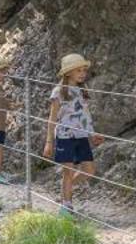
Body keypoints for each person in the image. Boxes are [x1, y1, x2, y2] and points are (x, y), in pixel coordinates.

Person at [43, 52, 103, 213]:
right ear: (68, 72)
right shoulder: (59, 92)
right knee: (67, 171)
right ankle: (66, 204)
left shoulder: (82, 90)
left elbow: (85, 116)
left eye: (84, 70)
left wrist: (92, 134)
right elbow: (52, 118)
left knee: (89, 170)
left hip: (82, 136)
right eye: (79, 70)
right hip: (65, 137)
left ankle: (66, 190)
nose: (83, 74)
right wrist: (49, 142)